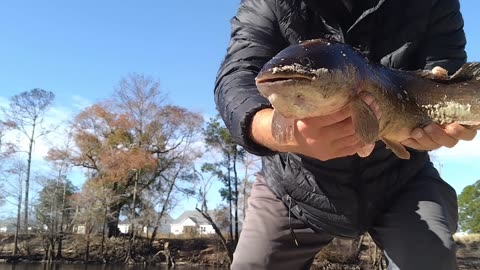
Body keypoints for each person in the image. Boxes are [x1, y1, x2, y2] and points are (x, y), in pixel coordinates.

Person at [214, 0, 477, 269]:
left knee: (431, 259)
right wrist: (281, 134)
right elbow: (237, 76)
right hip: (295, 183)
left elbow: (446, 74)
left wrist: (444, 123)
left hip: (401, 176)